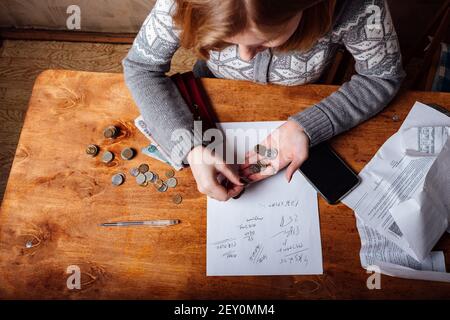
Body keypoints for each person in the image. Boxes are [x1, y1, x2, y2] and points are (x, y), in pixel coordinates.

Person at [123, 0, 405, 201]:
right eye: (227, 42)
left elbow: (382, 77)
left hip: (306, 98)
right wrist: (190, 147)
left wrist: (306, 127)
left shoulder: (358, 6)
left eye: (265, 41)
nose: (245, 57)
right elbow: (140, 68)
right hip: (211, 90)